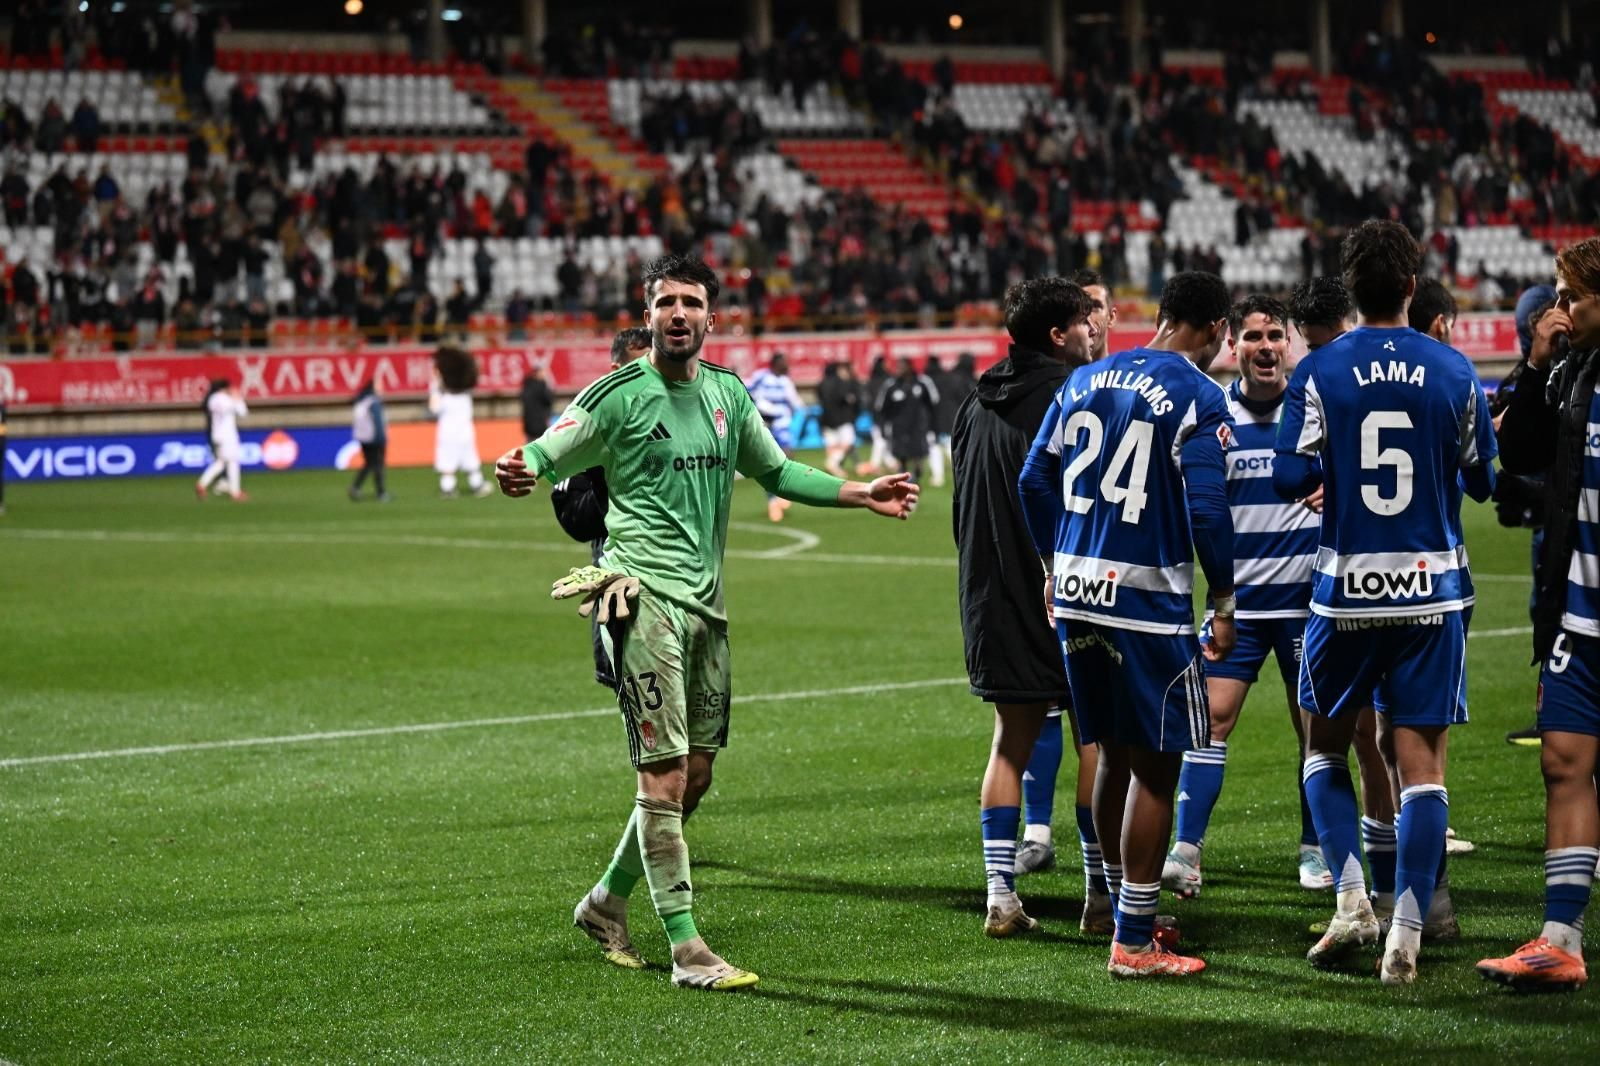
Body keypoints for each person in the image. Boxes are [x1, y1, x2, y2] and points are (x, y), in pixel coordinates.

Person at [493, 254, 919, 992]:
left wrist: (861, 492)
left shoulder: (727, 393)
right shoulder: (619, 393)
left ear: (711, 317)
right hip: (639, 596)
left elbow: (779, 471)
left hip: (705, 606)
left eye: (692, 302)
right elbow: (550, 446)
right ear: (649, 313)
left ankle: (604, 902)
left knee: (695, 775)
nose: (679, 314)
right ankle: (690, 950)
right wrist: (519, 463)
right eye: (667, 303)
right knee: (661, 776)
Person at [1274, 220, 1496, 986]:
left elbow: (1283, 476)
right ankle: (1407, 929)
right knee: (1422, 765)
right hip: (1432, 592)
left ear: (1350, 289)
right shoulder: (1455, 369)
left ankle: (1349, 899)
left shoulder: (1321, 370)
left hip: (1344, 594)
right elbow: (1483, 480)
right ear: (1410, 286)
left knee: (1325, 748)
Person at [1019, 270, 1238, 978]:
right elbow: (1207, 511)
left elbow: (1033, 480)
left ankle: (1122, 908)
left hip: (1079, 590)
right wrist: (1225, 601)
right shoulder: (1200, 395)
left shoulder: (1084, 378)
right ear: (1213, 331)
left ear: (1164, 314)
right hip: (1145, 602)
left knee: (1109, 751)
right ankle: (1135, 942)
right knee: (1157, 761)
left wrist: (1056, 563)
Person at [954, 277, 1112, 937]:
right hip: (1067, 593)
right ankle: (1102, 898)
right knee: (1099, 740)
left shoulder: (975, 398)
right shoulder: (1073, 396)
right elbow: (1089, 502)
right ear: (1058, 334)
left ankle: (1001, 896)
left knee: (1009, 742)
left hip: (990, 596)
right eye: (1083, 322)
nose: (1091, 332)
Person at [1161, 295, 1330, 898]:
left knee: (1314, 732)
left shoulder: (1312, 416)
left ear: (1290, 345)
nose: (1264, 346)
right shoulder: (1214, 416)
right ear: (1232, 343)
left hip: (1308, 607)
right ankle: (1186, 851)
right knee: (1210, 723)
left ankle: (1316, 850)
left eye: (1275, 336)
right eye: (1252, 336)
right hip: (1239, 608)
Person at [1478, 236, 1600, 992]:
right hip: (1578, 615)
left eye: (1571, 297)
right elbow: (1517, 457)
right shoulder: (1570, 372)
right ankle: (1561, 939)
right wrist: (1533, 362)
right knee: (1563, 763)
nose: (1559, 309)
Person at [1015, 269, 1117, 876]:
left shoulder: (1125, 387)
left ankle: (1104, 869)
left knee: (1097, 722)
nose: (1094, 320)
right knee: (1048, 705)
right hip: (1056, 568)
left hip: (1106, 571)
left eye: (1099, 308)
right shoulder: (1057, 388)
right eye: (1085, 312)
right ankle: (1037, 831)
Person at [549, 326, 652, 692]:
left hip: (684, 579)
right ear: (614, 371)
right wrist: (609, 484)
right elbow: (573, 515)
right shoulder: (590, 424)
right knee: (636, 696)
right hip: (620, 572)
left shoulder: (684, 412)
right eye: (637, 368)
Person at [745, 352, 804, 522]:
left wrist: (794, 412)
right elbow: (745, 388)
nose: (787, 365)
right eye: (784, 362)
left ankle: (782, 493)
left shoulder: (786, 381)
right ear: (775, 364)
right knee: (768, 463)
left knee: (787, 457)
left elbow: (795, 403)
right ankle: (772, 502)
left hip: (783, 425)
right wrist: (759, 406)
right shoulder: (761, 377)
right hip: (765, 425)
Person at [429, 345, 492, 498]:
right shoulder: (465, 397)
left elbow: (433, 409)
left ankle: (448, 489)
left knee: (448, 462)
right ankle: (476, 485)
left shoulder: (445, 397)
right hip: (465, 433)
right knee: (470, 460)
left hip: (448, 434)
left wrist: (434, 387)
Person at [877, 358, 940, 485]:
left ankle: (916, 479)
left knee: (918, 458)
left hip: (918, 428)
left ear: (910, 367)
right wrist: (883, 428)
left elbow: (934, 404)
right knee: (902, 459)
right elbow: (881, 408)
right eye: (897, 367)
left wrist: (933, 427)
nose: (898, 370)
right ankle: (904, 485)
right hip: (899, 429)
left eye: (902, 367)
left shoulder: (923, 382)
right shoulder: (891, 385)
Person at [195, 378, 249, 502]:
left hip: (216, 434)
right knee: (233, 462)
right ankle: (235, 492)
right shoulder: (227, 399)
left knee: (220, 462)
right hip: (228, 435)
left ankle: (202, 483)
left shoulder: (212, 399)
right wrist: (238, 397)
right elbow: (243, 412)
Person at [932, 353, 976, 489]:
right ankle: (962, 473)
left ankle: (938, 476)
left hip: (940, 417)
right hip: (957, 418)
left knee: (937, 447)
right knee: (951, 448)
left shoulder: (944, 377)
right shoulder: (965, 379)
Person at [817, 361, 862, 478]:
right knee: (848, 441)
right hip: (842, 418)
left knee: (832, 445)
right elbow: (847, 398)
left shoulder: (821, 384)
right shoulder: (840, 383)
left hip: (826, 418)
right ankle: (832, 463)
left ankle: (835, 468)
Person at [348, 380, 390, 502]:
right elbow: (377, 422)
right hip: (373, 438)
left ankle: (355, 487)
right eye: (379, 386)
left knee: (369, 463)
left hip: (363, 437)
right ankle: (381, 492)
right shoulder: (373, 403)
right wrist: (382, 439)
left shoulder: (362, 401)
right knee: (378, 465)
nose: (382, 388)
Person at [520, 368, 554, 441]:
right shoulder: (541, 387)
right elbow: (548, 401)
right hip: (540, 422)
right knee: (542, 444)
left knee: (530, 444)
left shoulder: (526, 386)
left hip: (528, 422)